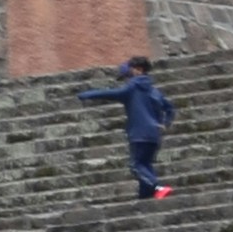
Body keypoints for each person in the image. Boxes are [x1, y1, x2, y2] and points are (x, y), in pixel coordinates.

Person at [74, 54, 175, 199]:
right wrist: (165, 124)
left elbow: (109, 93)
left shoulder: (131, 89)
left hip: (139, 133)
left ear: (137, 70)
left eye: (128, 76)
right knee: (145, 164)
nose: (127, 81)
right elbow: (170, 108)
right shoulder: (154, 91)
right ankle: (145, 197)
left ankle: (158, 187)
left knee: (136, 165)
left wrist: (86, 95)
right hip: (154, 134)